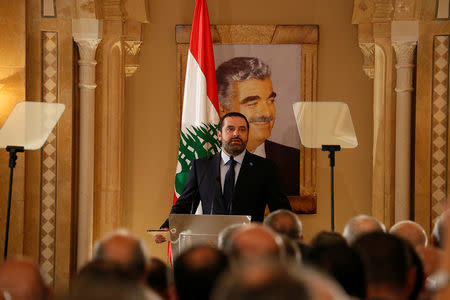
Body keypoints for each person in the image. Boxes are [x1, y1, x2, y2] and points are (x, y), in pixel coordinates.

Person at [159, 112, 291, 230]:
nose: (236, 134)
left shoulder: (265, 168)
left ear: (247, 135)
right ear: (219, 135)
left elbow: (280, 211)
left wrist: (289, 234)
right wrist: (168, 226)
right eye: (230, 129)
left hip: (249, 245)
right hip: (212, 245)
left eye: (242, 130)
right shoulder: (202, 167)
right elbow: (186, 203)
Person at [216, 57, 300, 196]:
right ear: (224, 110)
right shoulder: (204, 164)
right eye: (252, 103)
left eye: (270, 100)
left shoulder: (294, 161)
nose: (267, 112)